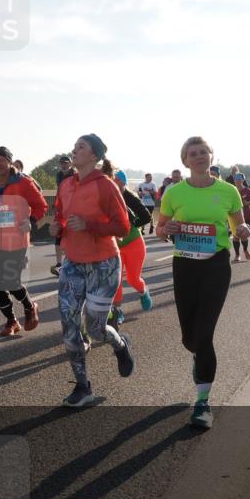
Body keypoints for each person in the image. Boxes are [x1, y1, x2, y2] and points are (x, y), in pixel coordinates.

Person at [156, 136, 247, 430]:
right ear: (185, 160)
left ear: (211, 156)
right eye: (192, 153)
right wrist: (165, 229)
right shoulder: (174, 193)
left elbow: (238, 225)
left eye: (203, 152)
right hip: (184, 265)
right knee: (190, 339)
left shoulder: (228, 190)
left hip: (216, 266)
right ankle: (198, 355)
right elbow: (160, 228)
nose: (199, 156)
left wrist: (243, 229)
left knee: (205, 334)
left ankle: (203, 402)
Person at [50, 134, 135, 408]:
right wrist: (57, 228)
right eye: (74, 145)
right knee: (69, 324)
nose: (74, 150)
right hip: (73, 263)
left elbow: (122, 228)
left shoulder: (106, 186)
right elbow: (60, 215)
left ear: (94, 156)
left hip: (104, 264)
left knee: (96, 328)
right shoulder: (65, 185)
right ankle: (83, 386)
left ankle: (120, 344)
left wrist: (88, 225)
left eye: (81, 147)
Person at [0, 146, 47, 336]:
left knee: (10, 281)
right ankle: (11, 321)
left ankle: (29, 306)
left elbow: (41, 206)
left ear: (10, 162)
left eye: (2, 160)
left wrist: (31, 221)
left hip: (17, 241)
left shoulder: (24, 183)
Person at [109, 167, 153, 324]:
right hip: (115, 247)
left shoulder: (130, 198)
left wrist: (130, 227)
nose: (113, 184)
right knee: (116, 280)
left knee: (134, 279)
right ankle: (117, 311)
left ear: (123, 183)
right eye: (112, 181)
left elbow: (146, 217)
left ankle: (143, 291)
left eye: (116, 181)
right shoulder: (105, 198)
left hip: (134, 243)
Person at [51, 154, 75, 276]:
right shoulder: (59, 175)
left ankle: (71, 262)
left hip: (72, 209)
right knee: (58, 235)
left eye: (66, 163)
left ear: (70, 164)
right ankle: (59, 264)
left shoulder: (75, 175)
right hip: (61, 209)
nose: (64, 165)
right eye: (62, 163)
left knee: (70, 236)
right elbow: (59, 191)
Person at [231, 174, 250, 262]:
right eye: (236, 179)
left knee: (244, 236)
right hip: (234, 216)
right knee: (235, 236)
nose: (237, 181)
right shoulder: (232, 190)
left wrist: (247, 203)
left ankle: (245, 250)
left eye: (239, 179)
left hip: (246, 215)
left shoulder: (247, 190)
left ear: (242, 180)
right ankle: (237, 255)